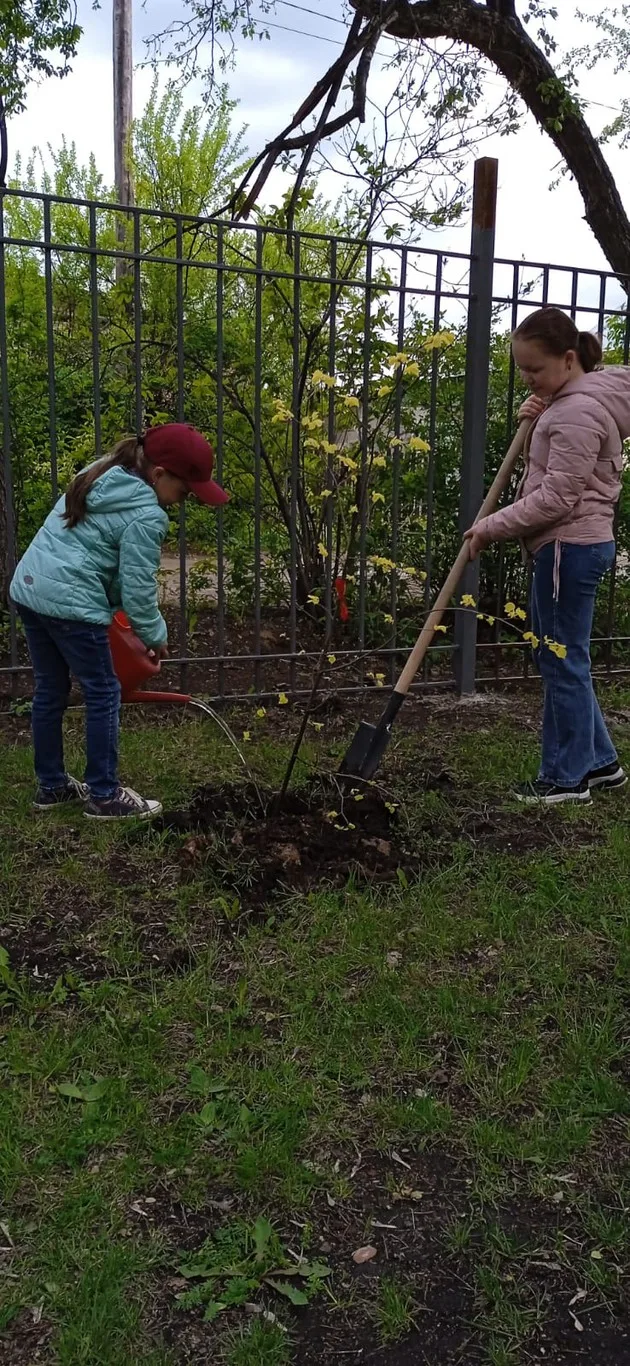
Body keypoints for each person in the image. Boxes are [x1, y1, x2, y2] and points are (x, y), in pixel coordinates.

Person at [10, 423, 229, 820]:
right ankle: (104, 795)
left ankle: (52, 786)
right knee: (104, 691)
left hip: (31, 588)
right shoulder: (146, 515)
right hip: (71, 602)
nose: (183, 501)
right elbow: (138, 588)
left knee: (50, 689)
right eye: (184, 492)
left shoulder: (101, 472)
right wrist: (154, 634)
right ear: (158, 474)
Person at [464, 306, 630, 805]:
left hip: (568, 546)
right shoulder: (574, 400)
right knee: (560, 655)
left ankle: (564, 777)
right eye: (522, 369)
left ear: (569, 359)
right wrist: (542, 409)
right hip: (573, 545)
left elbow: (556, 498)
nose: (527, 378)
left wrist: (490, 527)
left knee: (560, 659)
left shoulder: (576, 412)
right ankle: (599, 763)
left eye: (535, 369)